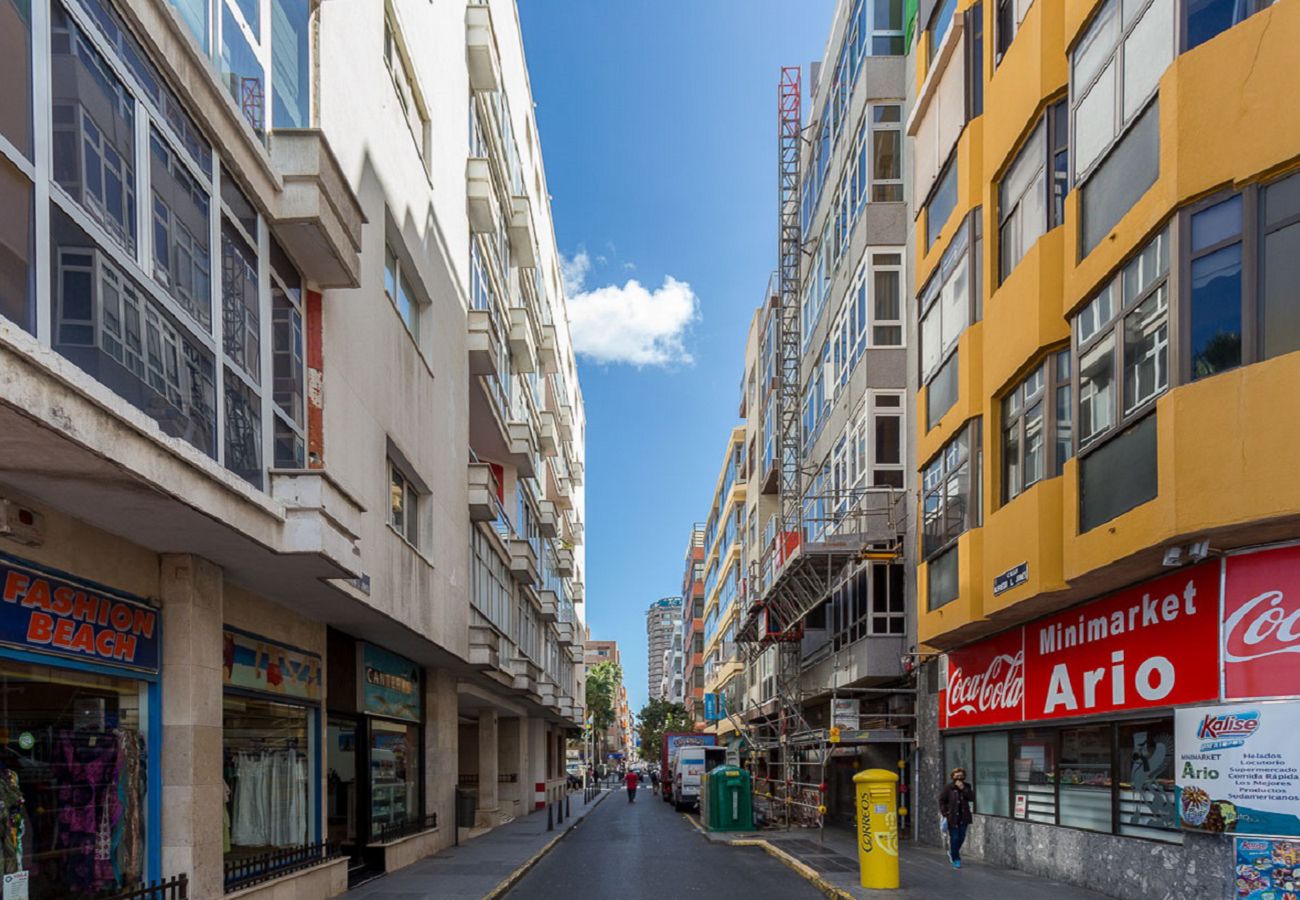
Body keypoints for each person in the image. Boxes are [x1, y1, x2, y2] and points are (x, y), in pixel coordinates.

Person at [938, 767, 975, 869]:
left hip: (964, 816)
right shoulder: (948, 787)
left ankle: (952, 852)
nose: (959, 778)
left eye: (961, 776)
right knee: (955, 838)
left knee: (962, 837)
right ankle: (956, 859)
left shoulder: (967, 786)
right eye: (957, 776)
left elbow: (972, 798)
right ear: (952, 776)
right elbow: (942, 800)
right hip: (952, 817)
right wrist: (945, 813)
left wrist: (963, 788)